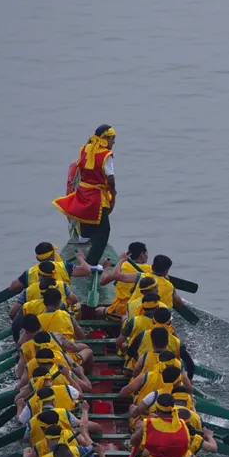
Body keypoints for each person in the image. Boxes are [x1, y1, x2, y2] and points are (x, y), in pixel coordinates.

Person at [53, 125, 117, 265]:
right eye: (112, 139)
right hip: (96, 194)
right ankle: (92, 263)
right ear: (105, 138)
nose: (114, 142)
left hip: (83, 190)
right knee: (104, 231)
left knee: (85, 214)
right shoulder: (106, 155)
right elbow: (110, 178)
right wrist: (113, 191)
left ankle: (85, 236)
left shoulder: (85, 148)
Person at [99, 242, 151, 318]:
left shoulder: (122, 266)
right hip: (142, 308)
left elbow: (103, 281)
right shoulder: (150, 269)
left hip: (122, 309)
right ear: (142, 255)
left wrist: (106, 268)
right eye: (146, 253)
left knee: (98, 311)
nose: (147, 256)